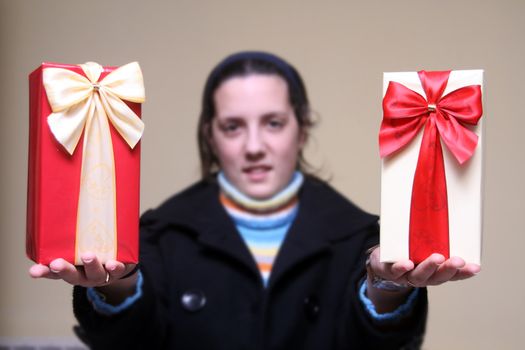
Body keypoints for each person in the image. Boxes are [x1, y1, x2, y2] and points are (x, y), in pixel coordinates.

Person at [29, 51, 480, 349]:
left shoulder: (364, 240)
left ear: (301, 129)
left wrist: (388, 286)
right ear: (211, 135)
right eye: (232, 126)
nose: (253, 146)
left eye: (273, 123)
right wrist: (116, 283)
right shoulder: (156, 236)